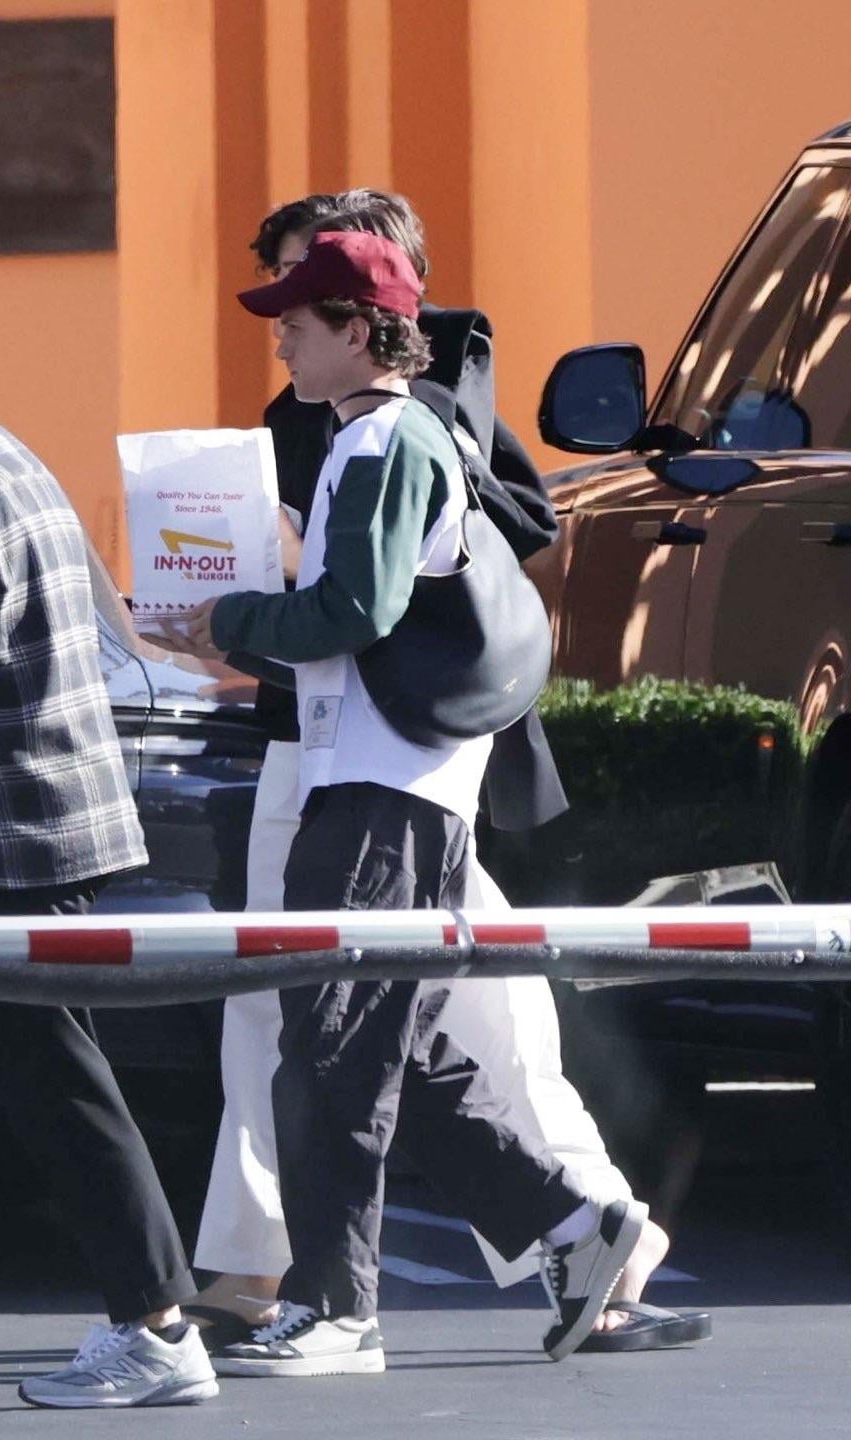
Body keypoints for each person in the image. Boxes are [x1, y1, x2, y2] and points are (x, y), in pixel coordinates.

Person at [187, 192, 706, 1357]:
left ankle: (335, 1309)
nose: (280, 338)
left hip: (381, 793)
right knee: (395, 1043)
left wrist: (227, 619)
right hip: (387, 786)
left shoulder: (382, 441)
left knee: (335, 1047)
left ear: (359, 328)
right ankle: (576, 1229)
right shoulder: (379, 435)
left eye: (299, 320)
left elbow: (352, 611)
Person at [0, 328, 218, 1410]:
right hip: (24, 835)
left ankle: (159, 1328)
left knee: (57, 1089)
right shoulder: (3, 457)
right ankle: (157, 1322)